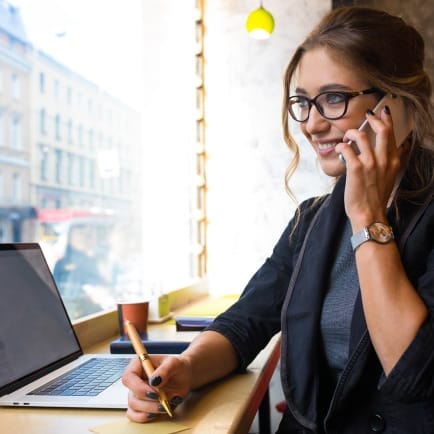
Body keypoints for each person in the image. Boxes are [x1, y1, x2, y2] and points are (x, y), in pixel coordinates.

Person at [122, 6, 434, 433]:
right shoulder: (312, 220)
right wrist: (186, 368)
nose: (313, 124)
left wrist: (367, 217)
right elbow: (246, 320)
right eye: (303, 102)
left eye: (334, 98)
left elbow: (412, 373)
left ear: (396, 102)